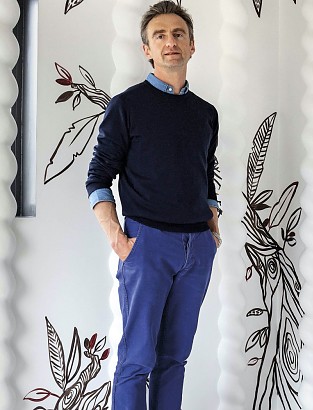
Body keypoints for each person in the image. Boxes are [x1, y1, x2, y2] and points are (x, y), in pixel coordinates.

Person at [85, 1, 221, 409]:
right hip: (147, 244)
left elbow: (206, 170)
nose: (170, 41)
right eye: (159, 36)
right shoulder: (127, 106)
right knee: (136, 360)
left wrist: (213, 222)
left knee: (174, 359)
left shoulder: (206, 114)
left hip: (197, 249)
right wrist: (116, 236)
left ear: (192, 45)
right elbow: (98, 176)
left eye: (178, 34)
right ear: (147, 49)